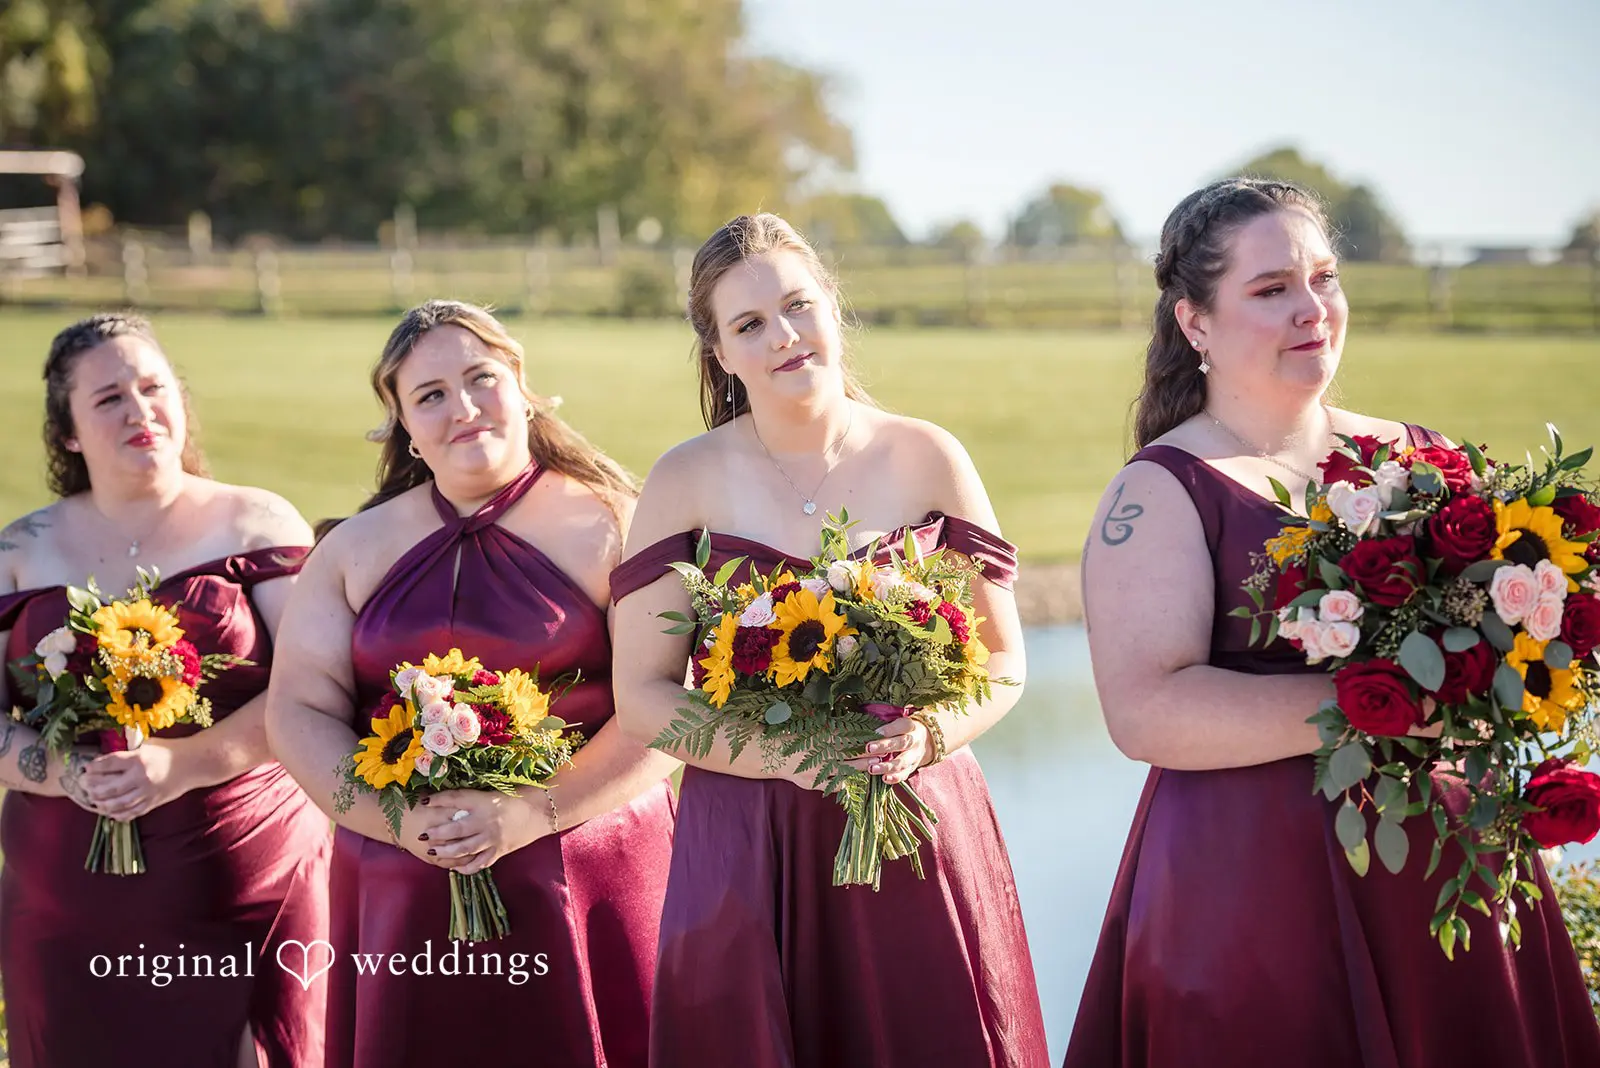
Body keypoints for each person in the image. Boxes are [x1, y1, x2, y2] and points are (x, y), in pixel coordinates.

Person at [1064, 178, 1600, 1067]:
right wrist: (1376, 704)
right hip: (1254, 887)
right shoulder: (1160, 490)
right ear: (1195, 320)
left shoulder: (1418, 456)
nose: (1312, 309)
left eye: (1323, 278)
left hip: (1445, 868)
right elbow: (1144, 711)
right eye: (1271, 289)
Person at [610, 213, 1049, 1068]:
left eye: (798, 306)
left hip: (915, 813)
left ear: (834, 310)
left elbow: (1004, 663)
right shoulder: (682, 480)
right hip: (748, 829)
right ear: (720, 354)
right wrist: (789, 755)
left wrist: (926, 733)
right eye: (748, 325)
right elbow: (643, 697)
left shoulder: (928, 457)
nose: (783, 337)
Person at [265, 299, 677, 1068]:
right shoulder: (353, 548)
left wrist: (532, 811)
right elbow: (298, 709)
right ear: (401, 428)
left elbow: (666, 709)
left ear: (522, 386)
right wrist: (395, 822)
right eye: (429, 396)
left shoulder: (617, 524)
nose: (462, 408)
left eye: (480, 378)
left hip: (587, 867)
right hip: (400, 885)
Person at [0, 312, 330, 1068]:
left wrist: (185, 765)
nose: (140, 410)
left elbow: (312, 691)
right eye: (109, 398)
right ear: (70, 434)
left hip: (246, 876)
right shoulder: (21, 551)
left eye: (153, 387)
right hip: (66, 899)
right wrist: (66, 773)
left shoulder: (257, 522)